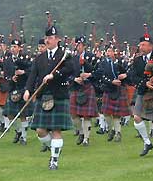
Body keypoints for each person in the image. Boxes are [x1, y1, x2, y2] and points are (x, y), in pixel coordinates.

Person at [24, 26, 74, 170]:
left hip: (58, 95)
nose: (47, 40)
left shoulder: (64, 55)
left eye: (50, 38)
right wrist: (27, 90)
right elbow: (33, 75)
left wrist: (54, 75)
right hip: (43, 96)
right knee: (40, 130)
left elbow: (70, 69)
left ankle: (54, 160)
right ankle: (54, 147)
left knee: (56, 130)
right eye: (46, 38)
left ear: (57, 39)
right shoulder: (40, 57)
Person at [97, 44, 131, 143]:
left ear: (114, 52)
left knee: (117, 115)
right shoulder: (102, 63)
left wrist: (125, 75)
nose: (109, 53)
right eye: (107, 51)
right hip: (108, 88)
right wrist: (111, 81)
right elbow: (101, 76)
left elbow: (128, 72)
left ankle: (117, 133)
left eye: (111, 51)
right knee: (106, 113)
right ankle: (111, 128)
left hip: (119, 89)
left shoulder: (120, 62)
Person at [69, 36, 98, 146]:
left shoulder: (91, 57)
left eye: (79, 45)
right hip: (76, 87)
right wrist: (74, 79)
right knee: (73, 115)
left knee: (86, 115)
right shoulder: (72, 58)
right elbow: (68, 73)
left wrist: (88, 74)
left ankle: (86, 138)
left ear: (84, 46)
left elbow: (97, 71)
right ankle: (81, 132)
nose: (77, 47)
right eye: (76, 45)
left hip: (87, 86)